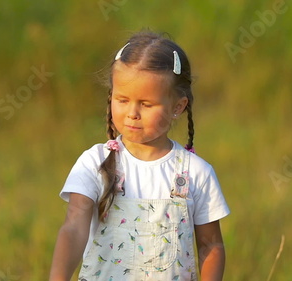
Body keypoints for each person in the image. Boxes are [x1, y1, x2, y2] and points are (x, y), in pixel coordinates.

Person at [49, 31, 230, 281]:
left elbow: (211, 246)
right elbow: (73, 229)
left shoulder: (196, 173)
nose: (132, 113)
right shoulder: (94, 163)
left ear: (178, 106)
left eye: (146, 104)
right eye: (122, 99)